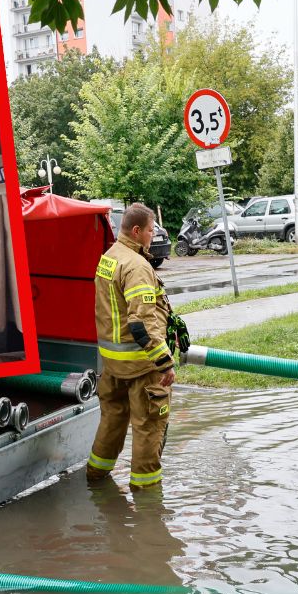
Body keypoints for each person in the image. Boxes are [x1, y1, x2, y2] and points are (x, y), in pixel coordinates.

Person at [86, 203, 176, 491]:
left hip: (112, 365)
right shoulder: (137, 266)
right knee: (149, 426)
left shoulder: (109, 257)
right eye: (151, 230)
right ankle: (147, 500)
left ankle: (96, 479)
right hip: (142, 365)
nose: (153, 235)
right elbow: (141, 325)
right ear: (137, 231)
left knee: (112, 422)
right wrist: (164, 362)